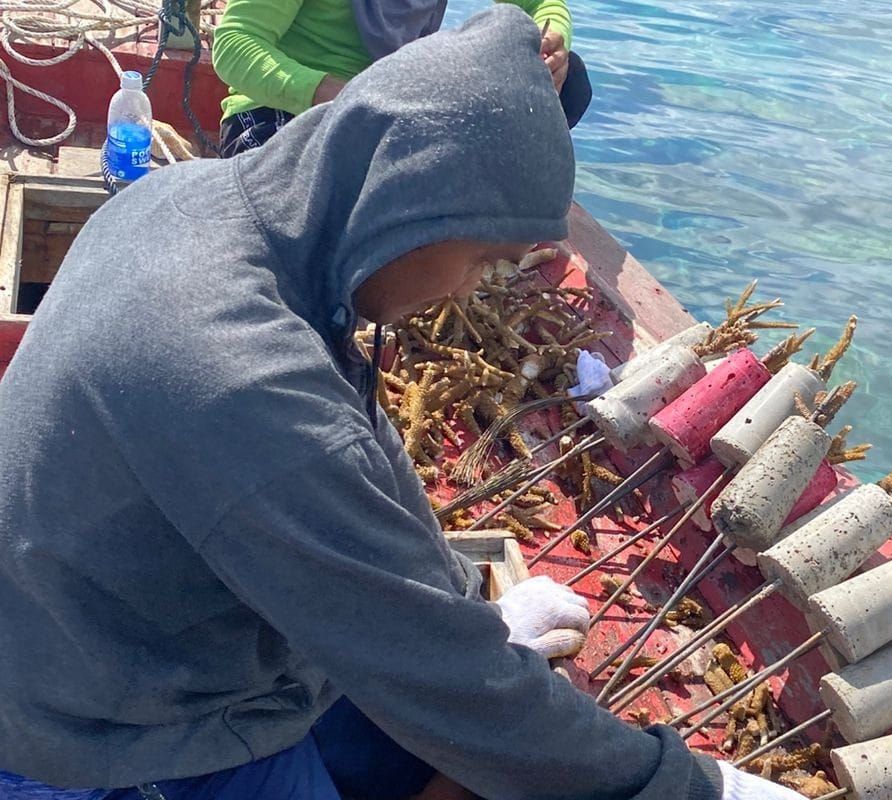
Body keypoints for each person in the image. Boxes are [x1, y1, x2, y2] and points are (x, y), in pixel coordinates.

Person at [0, 8, 806, 800]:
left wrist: (463, 602)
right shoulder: (238, 375)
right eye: (484, 259)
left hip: (131, 631)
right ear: (411, 201)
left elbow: (363, 442)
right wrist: (691, 787)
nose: (469, 287)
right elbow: (439, 680)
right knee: (476, 744)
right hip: (94, 736)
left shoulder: (201, 204)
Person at [212, 0, 592, 158]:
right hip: (283, 115)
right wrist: (340, 96)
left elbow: (540, 6)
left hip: (393, 115)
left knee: (567, 83)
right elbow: (234, 44)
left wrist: (551, 39)